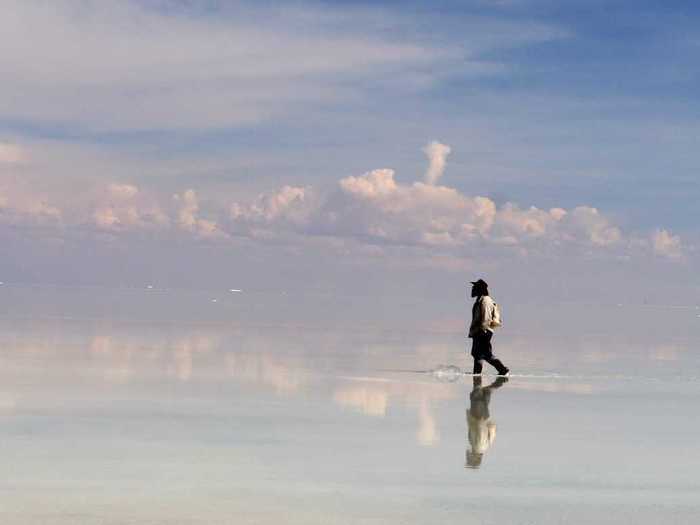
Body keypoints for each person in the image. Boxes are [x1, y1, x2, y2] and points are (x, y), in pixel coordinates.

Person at [468, 279, 509, 376]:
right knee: (478, 354)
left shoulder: (485, 300)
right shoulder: (481, 300)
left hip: (483, 331)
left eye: (475, 287)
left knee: (485, 354)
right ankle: (477, 374)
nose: (473, 289)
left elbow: (486, 318)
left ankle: (502, 369)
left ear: (480, 289)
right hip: (481, 331)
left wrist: (482, 331)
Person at [465, 375, 508, 468]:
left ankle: (501, 380)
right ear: (474, 458)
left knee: (485, 393)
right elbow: (477, 430)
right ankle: (501, 379)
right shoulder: (477, 446)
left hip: (484, 417)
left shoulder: (485, 448)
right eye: (469, 459)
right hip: (478, 416)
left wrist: (486, 421)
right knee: (476, 392)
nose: (467, 457)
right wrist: (479, 420)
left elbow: (492, 431)